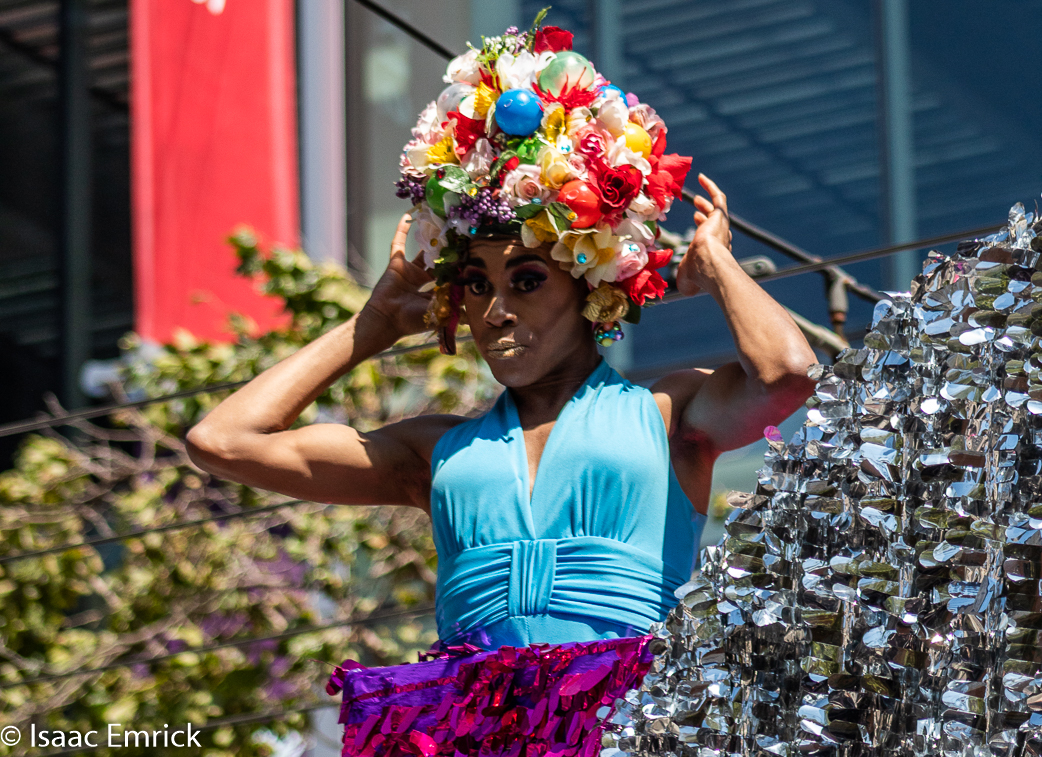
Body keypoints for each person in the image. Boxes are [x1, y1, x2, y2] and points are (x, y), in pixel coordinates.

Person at [185, 18, 818, 755]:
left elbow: (789, 374)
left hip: (628, 717)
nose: (496, 310)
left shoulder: (667, 413)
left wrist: (716, 267)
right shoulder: (438, 451)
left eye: (525, 280)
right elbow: (222, 441)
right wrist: (375, 323)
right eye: (476, 284)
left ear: (588, 282)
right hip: (474, 729)